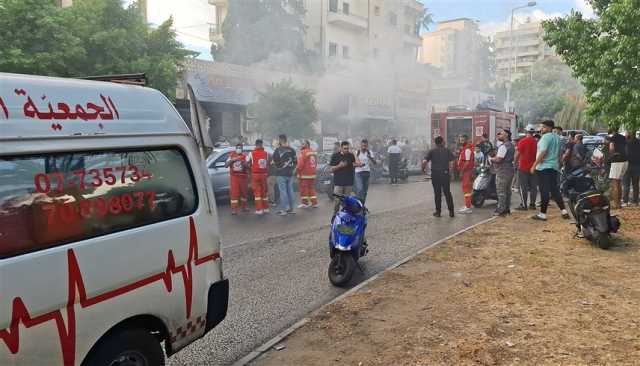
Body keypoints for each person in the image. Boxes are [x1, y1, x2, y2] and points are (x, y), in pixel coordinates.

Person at [531, 120, 570, 221]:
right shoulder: (557, 138)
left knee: (544, 190)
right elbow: (559, 153)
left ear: (549, 128)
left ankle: (542, 214)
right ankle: (564, 211)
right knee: (555, 190)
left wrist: (534, 165)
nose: (541, 129)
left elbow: (543, 151)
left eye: (543, 127)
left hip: (543, 167)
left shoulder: (545, 137)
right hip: (554, 166)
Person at [423, 136, 456, 217]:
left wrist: (423, 169)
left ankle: (438, 212)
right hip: (445, 174)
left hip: (435, 174)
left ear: (435, 143)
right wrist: (451, 173)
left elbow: (424, 161)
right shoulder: (447, 150)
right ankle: (451, 212)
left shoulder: (432, 151)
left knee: (437, 193)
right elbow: (452, 163)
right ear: (442, 142)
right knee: (447, 192)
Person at [490, 129, 515, 216]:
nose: (499, 135)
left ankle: (500, 209)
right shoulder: (511, 145)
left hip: (502, 171)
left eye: (501, 134)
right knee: (507, 191)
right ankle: (506, 209)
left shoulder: (503, 146)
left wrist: (491, 159)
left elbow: (499, 159)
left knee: (501, 191)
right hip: (510, 170)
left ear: (506, 135)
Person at [330, 141, 359, 214]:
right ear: (341, 148)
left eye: (348, 148)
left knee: (346, 201)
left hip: (348, 182)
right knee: (337, 201)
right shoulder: (335, 156)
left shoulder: (351, 155)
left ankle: (345, 215)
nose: (346, 150)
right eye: (345, 148)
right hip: (338, 182)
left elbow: (357, 163)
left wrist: (354, 154)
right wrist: (339, 166)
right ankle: (335, 215)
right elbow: (331, 169)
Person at [272, 134, 297, 215]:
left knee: (283, 192)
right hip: (290, 173)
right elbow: (296, 162)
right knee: (290, 191)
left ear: (280, 140)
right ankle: (292, 209)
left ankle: (284, 210)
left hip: (281, 173)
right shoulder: (292, 150)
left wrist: (278, 167)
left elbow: (274, 162)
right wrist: (293, 170)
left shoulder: (278, 150)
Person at [515, 125, 538, 210]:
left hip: (523, 167)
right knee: (533, 187)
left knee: (523, 187)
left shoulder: (522, 141)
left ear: (526, 132)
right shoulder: (537, 142)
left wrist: (515, 163)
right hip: (534, 167)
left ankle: (524, 205)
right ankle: (532, 204)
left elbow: (517, 154)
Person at [225, 143, 249, 215]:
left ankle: (244, 207)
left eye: (240, 148)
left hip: (243, 177)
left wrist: (244, 163)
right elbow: (226, 165)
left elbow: (248, 166)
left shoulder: (245, 156)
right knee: (234, 193)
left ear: (242, 149)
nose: (239, 149)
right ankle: (234, 209)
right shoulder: (231, 155)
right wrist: (232, 160)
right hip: (234, 177)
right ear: (236, 148)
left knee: (244, 193)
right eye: (238, 147)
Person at [608, 128, 628, 209]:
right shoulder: (623, 137)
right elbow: (626, 148)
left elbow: (611, 148)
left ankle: (616, 204)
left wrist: (612, 155)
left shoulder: (613, 137)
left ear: (612, 129)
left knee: (615, 182)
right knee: (619, 182)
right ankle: (619, 202)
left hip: (617, 161)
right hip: (625, 161)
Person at [248, 139, 270, 215]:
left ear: (256, 144)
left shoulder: (251, 153)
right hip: (264, 175)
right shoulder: (266, 153)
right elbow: (268, 163)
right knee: (264, 192)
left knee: (257, 193)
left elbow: (247, 163)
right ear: (262, 144)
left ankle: (259, 209)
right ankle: (266, 208)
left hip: (255, 175)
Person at [296, 140, 319, 208]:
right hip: (312, 174)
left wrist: (296, 170)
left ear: (307, 145)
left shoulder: (303, 152)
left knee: (303, 189)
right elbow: (316, 163)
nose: (302, 145)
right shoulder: (313, 152)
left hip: (304, 174)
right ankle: (314, 203)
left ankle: (305, 203)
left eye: (303, 144)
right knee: (311, 188)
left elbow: (300, 164)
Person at [355, 139, 377, 204]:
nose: (364, 147)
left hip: (367, 173)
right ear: (361, 145)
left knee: (365, 191)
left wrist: (370, 157)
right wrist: (359, 164)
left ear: (367, 146)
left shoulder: (369, 152)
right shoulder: (357, 152)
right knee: (360, 189)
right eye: (363, 145)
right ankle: (358, 205)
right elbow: (353, 164)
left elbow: (374, 163)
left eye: (365, 145)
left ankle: (362, 206)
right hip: (358, 173)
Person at [457, 135, 475, 214]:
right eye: (460, 140)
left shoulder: (467, 149)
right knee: (466, 189)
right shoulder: (466, 148)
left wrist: (462, 171)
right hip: (467, 172)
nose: (461, 142)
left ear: (466, 140)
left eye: (463, 140)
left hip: (466, 172)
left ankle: (467, 207)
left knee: (466, 189)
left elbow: (467, 162)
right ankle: (467, 206)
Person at [623, 131, 640, 206]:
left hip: (627, 165)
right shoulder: (639, 142)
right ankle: (635, 201)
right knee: (635, 185)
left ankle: (625, 201)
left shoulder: (626, 143)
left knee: (626, 184)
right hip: (637, 165)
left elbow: (625, 153)